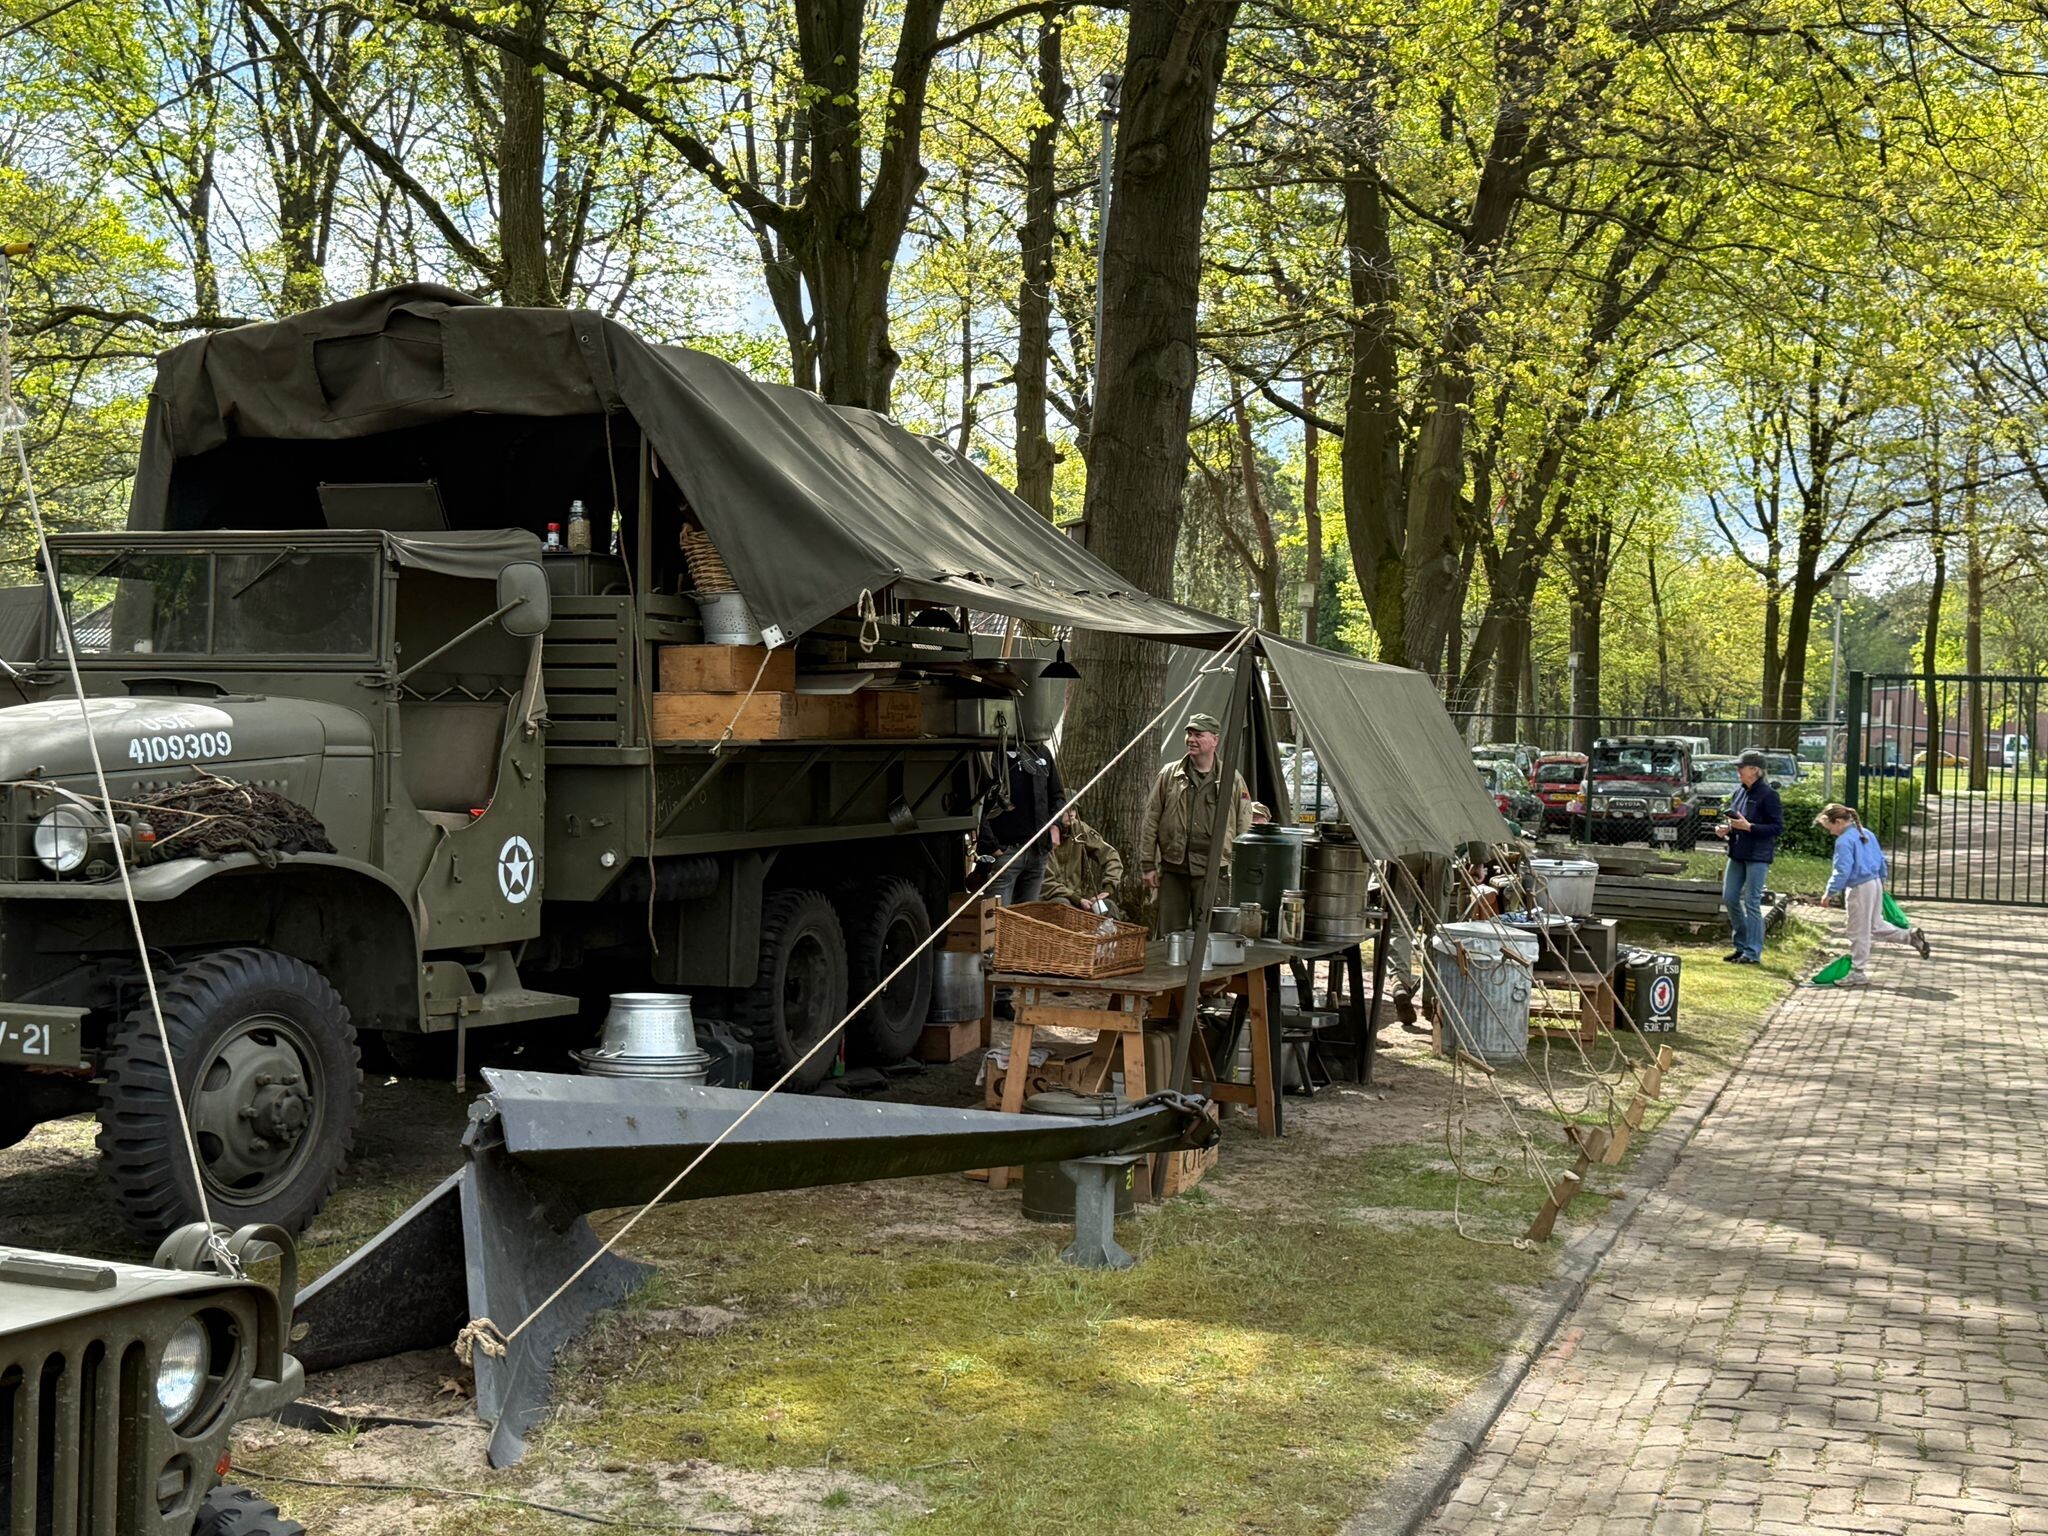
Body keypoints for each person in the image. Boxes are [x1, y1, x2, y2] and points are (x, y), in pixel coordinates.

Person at [1140, 712, 1255, 936]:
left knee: (1213, 935)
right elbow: (1151, 819)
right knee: (1170, 936)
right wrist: (1148, 864)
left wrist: (1236, 864)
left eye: (1198, 735)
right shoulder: (1169, 775)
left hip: (1213, 870)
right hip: (1174, 867)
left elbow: (1244, 825)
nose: (1191, 739)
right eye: (1189, 734)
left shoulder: (1232, 779)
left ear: (1215, 739)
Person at [1818, 803, 1929, 984]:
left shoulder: (1844, 841)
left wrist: (1829, 892)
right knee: (1875, 925)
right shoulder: (1866, 833)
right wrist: (1882, 881)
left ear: (1838, 822)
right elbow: (1881, 860)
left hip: (1859, 887)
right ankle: (1910, 937)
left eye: (1829, 827)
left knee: (1857, 931)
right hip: (1874, 882)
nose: (1830, 832)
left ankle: (1857, 971)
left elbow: (1842, 870)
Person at [1714, 749, 1783, 964]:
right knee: (1730, 897)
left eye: (1741, 767)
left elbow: (1777, 827)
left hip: (1758, 856)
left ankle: (1752, 952)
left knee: (1752, 901)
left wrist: (1750, 827)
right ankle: (1741, 945)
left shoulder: (1769, 795)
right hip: (1737, 852)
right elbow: (1736, 820)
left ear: (1755, 770)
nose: (1738, 770)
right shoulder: (1739, 792)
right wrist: (1726, 828)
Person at [981, 734, 1064, 908]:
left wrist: (1055, 826)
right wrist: (993, 847)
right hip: (1005, 852)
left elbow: (1057, 796)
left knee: (1025, 922)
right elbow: (978, 805)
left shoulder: (1042, 752)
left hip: (1038, 852)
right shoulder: (991, 754)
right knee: (996, 921)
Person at [1043, 806, 1126, 915]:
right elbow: (1045, 882)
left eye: (1073, 809)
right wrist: (1076, 899)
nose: (1071, 814)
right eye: (1065, 810)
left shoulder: (1080, 829)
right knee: (1062, 906)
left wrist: (1108, 887)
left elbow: (1110, 855)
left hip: (1079, 896)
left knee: (1108, 906)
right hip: (1050, 898)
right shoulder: (1042, 832)